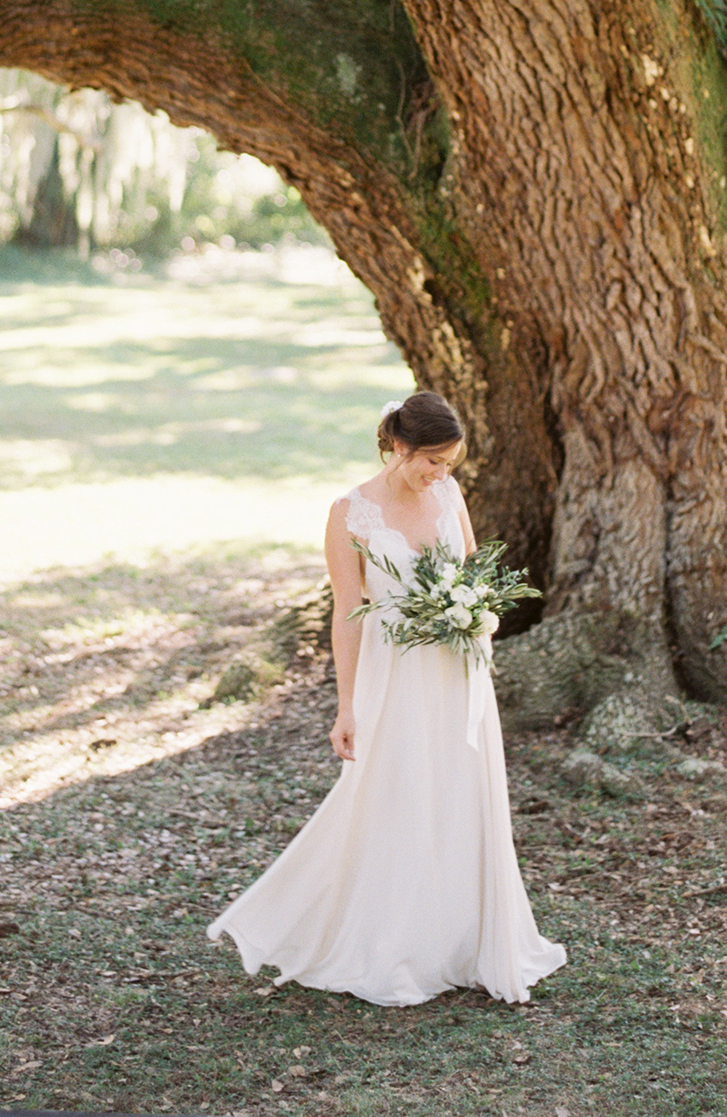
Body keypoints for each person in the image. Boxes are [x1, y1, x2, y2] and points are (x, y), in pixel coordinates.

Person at [206, 389, 565, 1008]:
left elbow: (471, 572)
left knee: (459, 796)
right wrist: (346, 707)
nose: (441, 474)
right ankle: (393, 944)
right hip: (393, 675)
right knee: (395, 796)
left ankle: (465, 942)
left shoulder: (448, 495)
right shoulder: (349, 513)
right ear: (399, 446)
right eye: (432, 461)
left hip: (458, 671)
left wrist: (475, 613)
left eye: (449, 463)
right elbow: (348, 613)